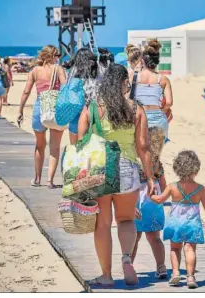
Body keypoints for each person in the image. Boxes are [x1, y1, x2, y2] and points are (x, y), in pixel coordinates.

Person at [78, 64, 156, 287]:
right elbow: (143, 146)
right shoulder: (136, 109)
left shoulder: (93, 108)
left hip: (100, 170)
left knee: (102, 224)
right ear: (123, 83)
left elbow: (78, 142)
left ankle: (106, 276)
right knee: (126, 219)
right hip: (127, 169)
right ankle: (126, 258)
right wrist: (150, 176)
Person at [151, 150, 205, 289]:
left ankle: (175, 273)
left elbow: (159, 200)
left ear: (177, 168)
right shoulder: (200, 189)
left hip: (175, 223)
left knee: (175, 249)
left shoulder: (172, 187)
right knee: (189, 249)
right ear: (196, 169)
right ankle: (190, 277)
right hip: (191, 223)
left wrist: (151, 195)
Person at [17, 45, 66, 188]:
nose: (59, 58)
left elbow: (26, 92)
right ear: (52, 56)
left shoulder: (34, 71)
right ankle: (50, 181)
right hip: (55, 108)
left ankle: (37, 179)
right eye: (57, 55)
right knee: (55, 147)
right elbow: (64, 89)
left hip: (40, 108)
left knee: (39, 145)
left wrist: (20, 110)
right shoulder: (59, 69)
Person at [132, 127, 167, 279]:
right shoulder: (157, 163)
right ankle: (161, 266)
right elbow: (164, 185)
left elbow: (131, 183)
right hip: (153, 202)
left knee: (134, 237)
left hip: (137, 201)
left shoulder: (137, 161)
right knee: (155, 238)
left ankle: (129, 266)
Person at [127, 40, 173, 141]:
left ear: (142, 60)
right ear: (157, 62)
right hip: (159, 120)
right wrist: (162, 111)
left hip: (140, 118)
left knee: (142, 152)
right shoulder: (164, 79)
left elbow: (129, 99)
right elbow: (169, 103)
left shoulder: (132, 76)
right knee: (156, 152)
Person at [67, 48, 99, 144]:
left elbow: (68, 88)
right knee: (91, 141)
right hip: (92, 108)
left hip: (76, 107)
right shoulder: (96, 69)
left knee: (74, 144)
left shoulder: (73, 70)